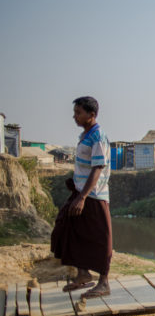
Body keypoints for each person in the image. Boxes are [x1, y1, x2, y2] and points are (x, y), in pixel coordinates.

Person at [51, 96, 113, 299]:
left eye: (78, 113)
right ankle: (83, 274)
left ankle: (104, 282)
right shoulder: (85, 136)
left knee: (100, 238)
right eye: (75, 112)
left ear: (91, 115)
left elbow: (97, 168)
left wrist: (83, 197)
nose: (75, 117)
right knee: (68, 228)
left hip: (94, 195)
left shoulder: (98, 137)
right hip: (81, 192)